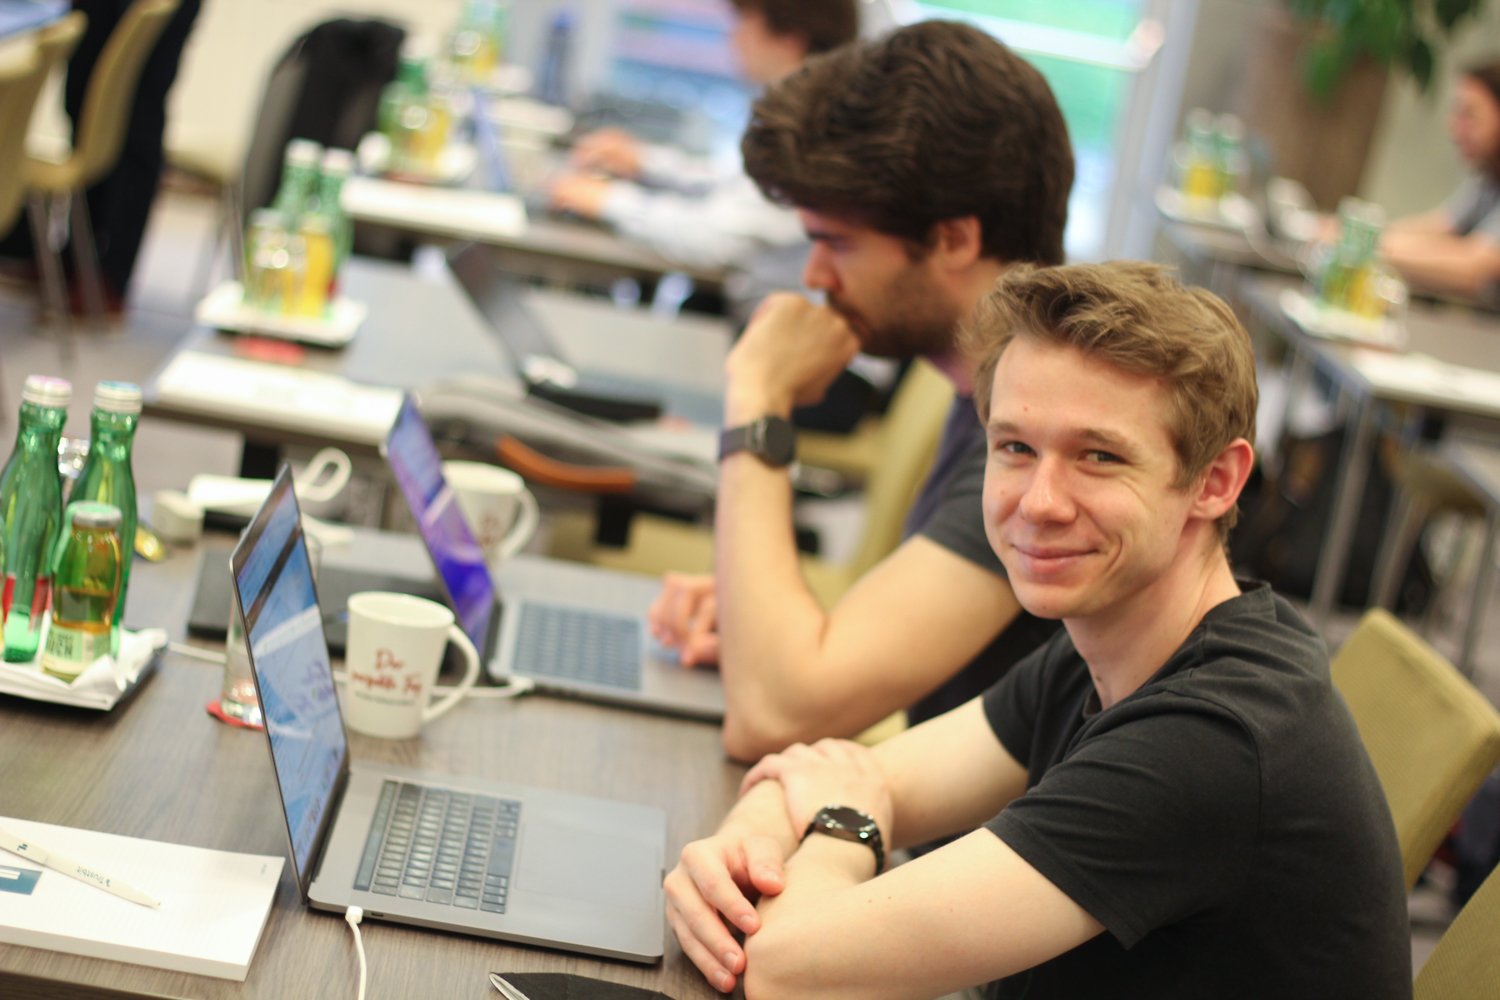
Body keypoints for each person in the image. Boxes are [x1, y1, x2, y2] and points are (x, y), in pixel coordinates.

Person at [664, 260, 1413, 999]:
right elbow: (865, 773)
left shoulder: (1210, 743)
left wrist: (843, 825)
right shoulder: (1111, 643)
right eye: (1016, 448)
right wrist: (755, 832)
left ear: (1215, 483)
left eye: (1099, 456)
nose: (1041, 502)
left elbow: (787, 967)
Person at [647, 21, 1072, 762]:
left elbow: (775, 715)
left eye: (837, 242)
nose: (814, 276)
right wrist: (760, 621)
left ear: (953, 239)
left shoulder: (1044, 447)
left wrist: (759, 393)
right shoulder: (997, 385)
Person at [545, 0, 857, 269]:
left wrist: (608, 201)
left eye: (746, 21)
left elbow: (718, 237)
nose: (733, 36)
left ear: (791, 37)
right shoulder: (803, 110)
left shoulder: (812, 128)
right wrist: (645, 162)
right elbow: (733, 183)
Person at [1381, 57, 1500, 305]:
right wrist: (1365, 233)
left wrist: (1372, 248)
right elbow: (1443, 225)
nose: (1455, 128)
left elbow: (1474, 268)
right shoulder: (1489, 178)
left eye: (1470, 115)